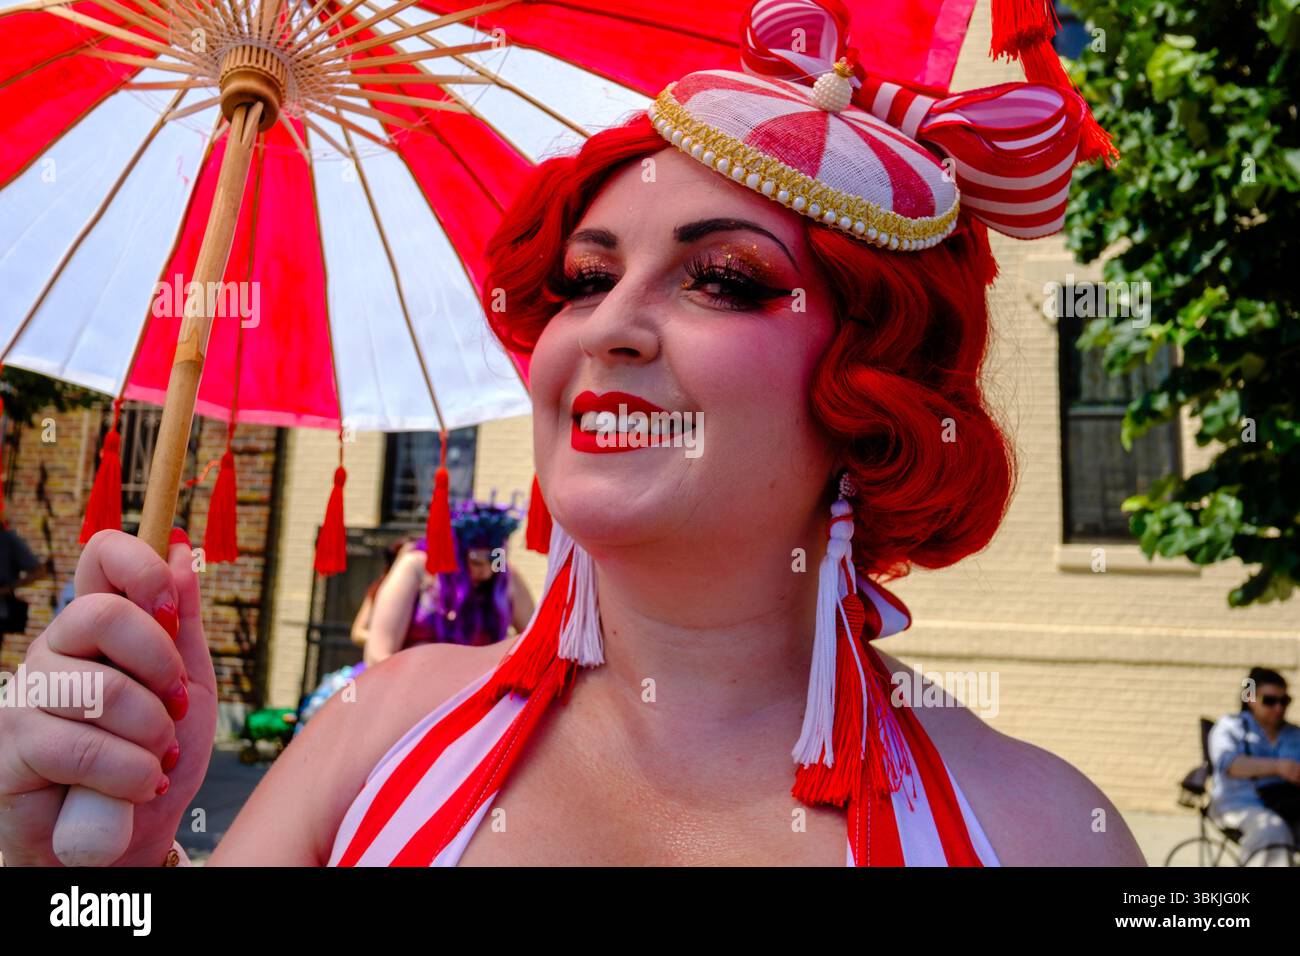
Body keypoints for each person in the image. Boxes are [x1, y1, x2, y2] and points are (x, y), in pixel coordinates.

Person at [0, 1, 1146, 867]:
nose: (608, 328)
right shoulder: (372, 729)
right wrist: (105, 868)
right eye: (585, 277)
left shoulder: (1050, 834)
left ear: (873, 391)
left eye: (725, 280)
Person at [363, 501, 535, 666]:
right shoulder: (416, 567)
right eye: (476, 561)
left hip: (475, 691)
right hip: (410, 687)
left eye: (495, 560)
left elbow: (537, 643)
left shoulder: (506, 577)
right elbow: (378, 655)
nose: (486, 572)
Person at [1206, 667, 1300, 866]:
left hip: (1289, 805)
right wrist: (1278, 767)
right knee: (1271, 829)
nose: (1279, 708)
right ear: (1250, 698)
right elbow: (1229, 764)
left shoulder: (1294, 734)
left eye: (1284, 701)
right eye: (1270, 701)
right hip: (1240, 804)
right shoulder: (1230, 726)